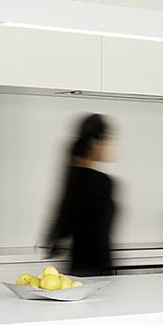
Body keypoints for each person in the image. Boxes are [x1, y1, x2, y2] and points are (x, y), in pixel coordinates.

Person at [45, 113, 117, 277]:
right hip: (98, 272)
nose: (110, 145)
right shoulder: (101, 182)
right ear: (95, 142)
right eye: (107, 139)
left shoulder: (73, 177)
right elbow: (99, 240)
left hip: (77, 269)